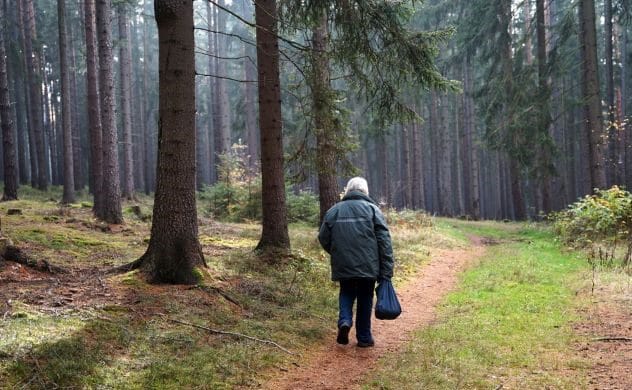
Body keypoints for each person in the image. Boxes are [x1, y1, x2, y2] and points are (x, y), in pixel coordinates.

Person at [318, 177, 394, 347]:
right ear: (365, 191)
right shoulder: (373, 210)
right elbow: (384, 241)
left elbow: (323, 237)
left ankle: (344, 321)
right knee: (365, 298)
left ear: (349, 190)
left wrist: (338, 253)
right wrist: (387, 269)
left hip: (344, 263)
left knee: (346, 292)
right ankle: (364, 338)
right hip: (368, 265)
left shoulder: (334, 210)